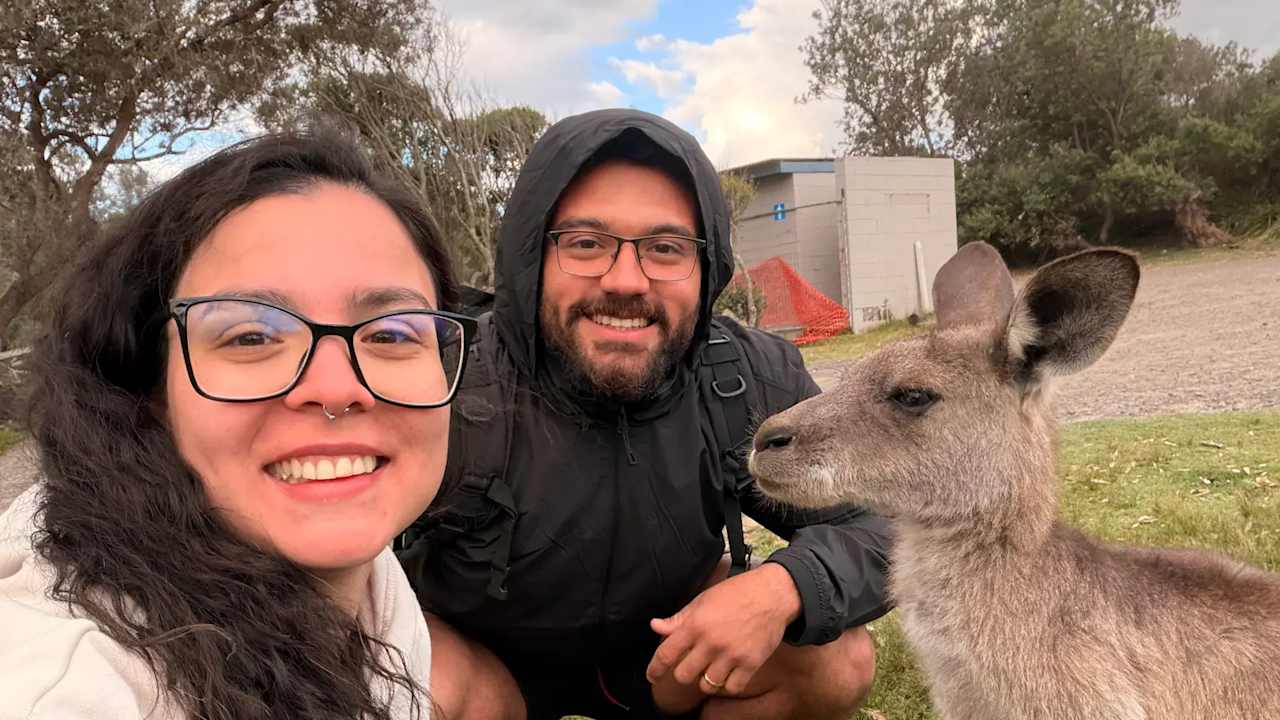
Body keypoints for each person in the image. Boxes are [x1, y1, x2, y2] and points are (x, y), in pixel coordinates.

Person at [398, 109, 893, 719]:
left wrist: (782, 587)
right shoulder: (439, 376)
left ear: (706, 266)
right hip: (491, 669)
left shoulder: (744, 376)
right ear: (530, 259)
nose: (627, 280)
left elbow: (886, 523)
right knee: (411, 683)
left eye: (665, 248)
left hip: (664, 657)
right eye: (585, 243)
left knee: (837, 660)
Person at [0, 129, 475, 719]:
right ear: (148, 389)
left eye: (392, 333)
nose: (335, 389)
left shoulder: (362, 567)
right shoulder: (66, 679)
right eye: (251, 336)